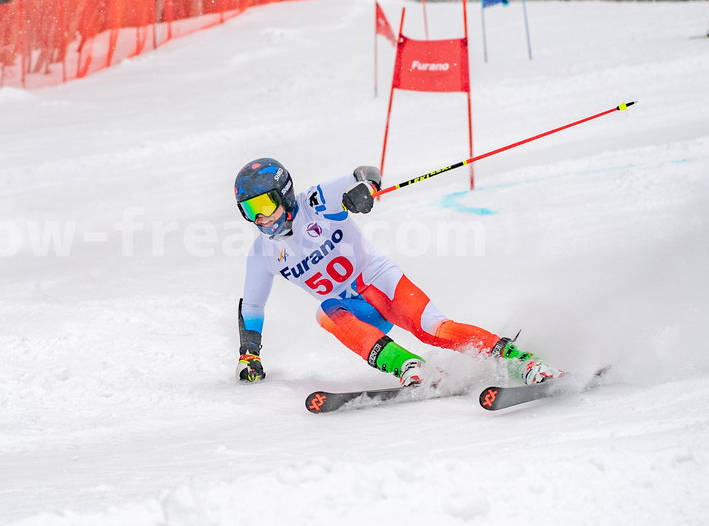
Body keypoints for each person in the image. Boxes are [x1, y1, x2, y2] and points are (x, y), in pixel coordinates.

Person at [232, 158, 561, 387]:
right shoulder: (262, 253)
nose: (260, 218)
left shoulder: (316, 202)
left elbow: (366, 173)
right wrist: (249, 355)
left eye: (263, 205)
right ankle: (407, 365)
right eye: (249, 211)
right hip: (356, 313)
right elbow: (253, 306)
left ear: (285, 194)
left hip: (380, 283)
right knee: (325, 312)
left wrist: (363, 190)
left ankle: (522, 360)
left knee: (434, 328)